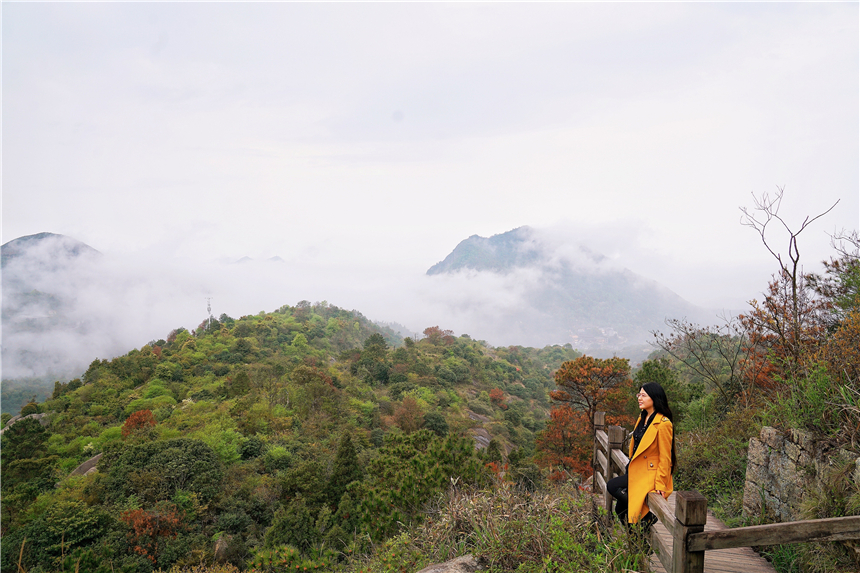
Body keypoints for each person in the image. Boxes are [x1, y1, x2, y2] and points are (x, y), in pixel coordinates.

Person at [606, 382, 675, 528]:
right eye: (639, 395)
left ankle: (647, 516)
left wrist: (661, 483)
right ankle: (642, 547)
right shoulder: (642, 417)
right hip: (635, 469)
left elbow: (665, 457)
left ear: (654, 398)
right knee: (620, 510)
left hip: (649, 474)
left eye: (643, 395)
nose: (639, 398)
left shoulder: (663, 424)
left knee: (612, 485)